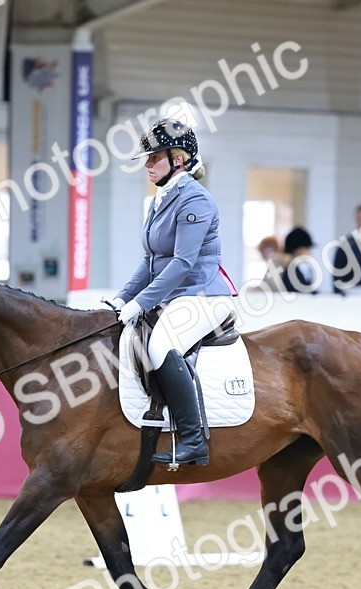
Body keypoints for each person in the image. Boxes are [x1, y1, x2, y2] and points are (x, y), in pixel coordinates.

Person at [111, 118, 236, 467]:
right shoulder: (159, 200)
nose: (147, 165)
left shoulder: (195, 200)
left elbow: (182, 264)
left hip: (203, 295)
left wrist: (142, 302)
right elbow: (150, 260)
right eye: (147, 159)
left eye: (154, 158)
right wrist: (122, 298)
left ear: (178, 160)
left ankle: (193, 440)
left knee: (161, 344)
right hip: (175, 296)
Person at [266, 227, 320, 293]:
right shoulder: (288, 268)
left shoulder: (300, 267)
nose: (310, 252)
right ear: (297, 249)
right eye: (307, 248)